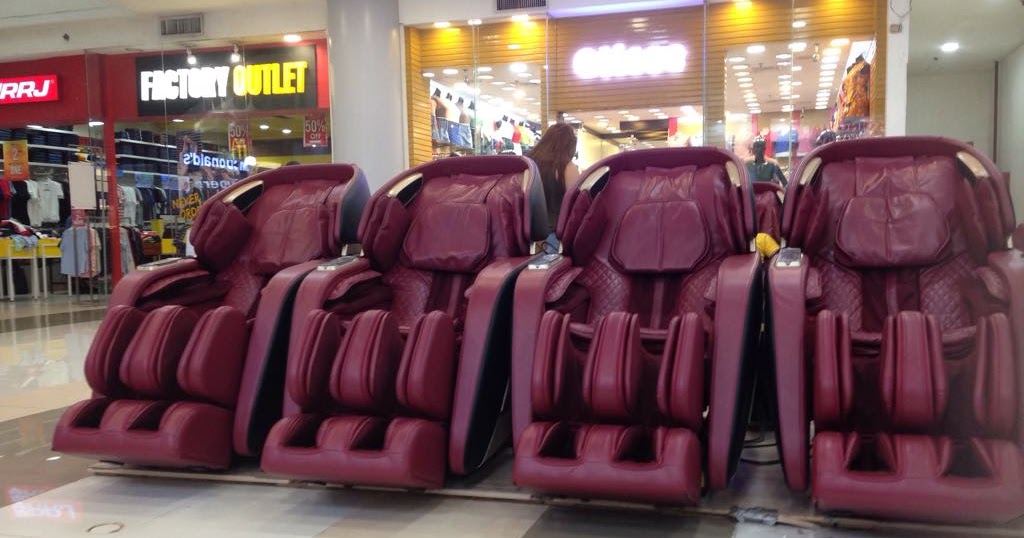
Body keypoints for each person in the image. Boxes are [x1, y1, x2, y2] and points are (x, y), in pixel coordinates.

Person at [527, 122, 579, 252]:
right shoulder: (566, 167)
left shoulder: (528, 164)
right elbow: (577, 205)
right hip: (554, 238)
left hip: (526, 235)